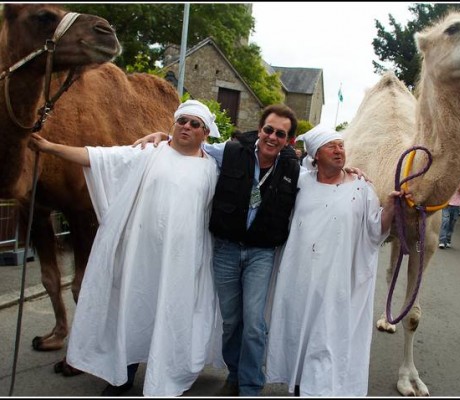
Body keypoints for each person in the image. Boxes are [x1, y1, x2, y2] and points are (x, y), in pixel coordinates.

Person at [133, 105, 367, 397]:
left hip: (261, 253)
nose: (272, 137)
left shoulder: (294, 169)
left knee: (254, 322)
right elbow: (195, 146)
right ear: (260, 130)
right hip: (227, 250)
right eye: (268, 130)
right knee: (231, 321)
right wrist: (162, 136)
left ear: (289, 141)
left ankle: (250, 386)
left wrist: (348, 170)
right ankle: (234, 373)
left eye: (280, 134)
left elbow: (326, 175)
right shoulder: (230, 151)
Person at [28, 100, 223, 397]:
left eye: (195, 124)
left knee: (173, 315)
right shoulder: (149, 153)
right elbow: (97, 158)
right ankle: (122, 376)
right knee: (133, 312)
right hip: (140, 259)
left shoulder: (212, 169)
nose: (186, 127)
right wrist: (48, 147)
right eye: (182, 120)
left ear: (205, 132)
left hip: (183, 262)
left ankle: (168, 375)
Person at [264, 124, 407, 397]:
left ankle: (319, 388)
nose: (339, 150)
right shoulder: (300, 181)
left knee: (328, 332)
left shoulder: (361, 187)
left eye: (341, 145)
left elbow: (375, 230)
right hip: (300, 275)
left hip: (338, 279)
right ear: (316, 154)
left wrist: (390, 206)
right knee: (299, 328)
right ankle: (298, 382)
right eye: (331, 146)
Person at [438, 175, 460, 249]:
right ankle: (442, 241)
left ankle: (448, 240)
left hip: (456, 204)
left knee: (452, 223)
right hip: (446, 203)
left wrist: (456, 185)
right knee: (445, 221)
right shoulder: (448, 176)